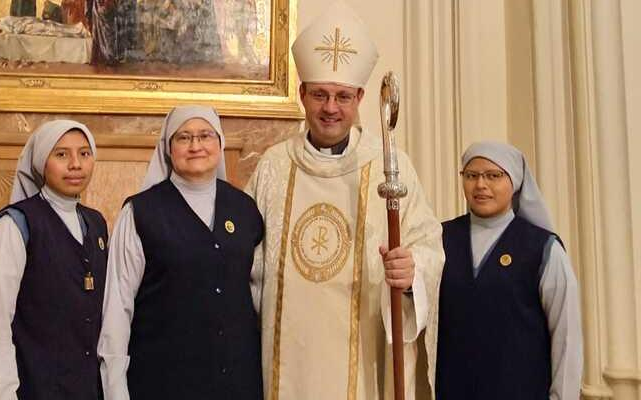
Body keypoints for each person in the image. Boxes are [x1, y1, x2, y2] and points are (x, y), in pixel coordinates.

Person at [244, 1, 445, 399]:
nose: (330, 108)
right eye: (319, 94)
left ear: (359, 97)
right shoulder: (272, 168)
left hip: (364, 362)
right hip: (287, 360)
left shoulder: (389, 167)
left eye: (342, 96)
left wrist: (412, 274)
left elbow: (427, 247)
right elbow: (245, 262)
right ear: (302, 94)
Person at [97, 105, 264, 400]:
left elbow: (261, 295)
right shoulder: (140, 212)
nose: (196, 146)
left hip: (238, 384)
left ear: (220, 143)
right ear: (168, 148)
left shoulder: (245, 209)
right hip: (161, 381)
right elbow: (117, 307)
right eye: (184, 138)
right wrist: (115, 389)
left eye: (205, 136)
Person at [0, 120, 110, 399]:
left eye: (84, 154)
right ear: (41, 163)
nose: (75, 164)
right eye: (61, 155)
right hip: (28, 387)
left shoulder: (96, 223)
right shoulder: (15, 225)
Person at [435, 141, 583, 400]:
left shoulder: (542, 248)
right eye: (471, 176)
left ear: (514, 181)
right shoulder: (439, 237)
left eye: (493, 175)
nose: (480, 185)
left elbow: (566, 337)